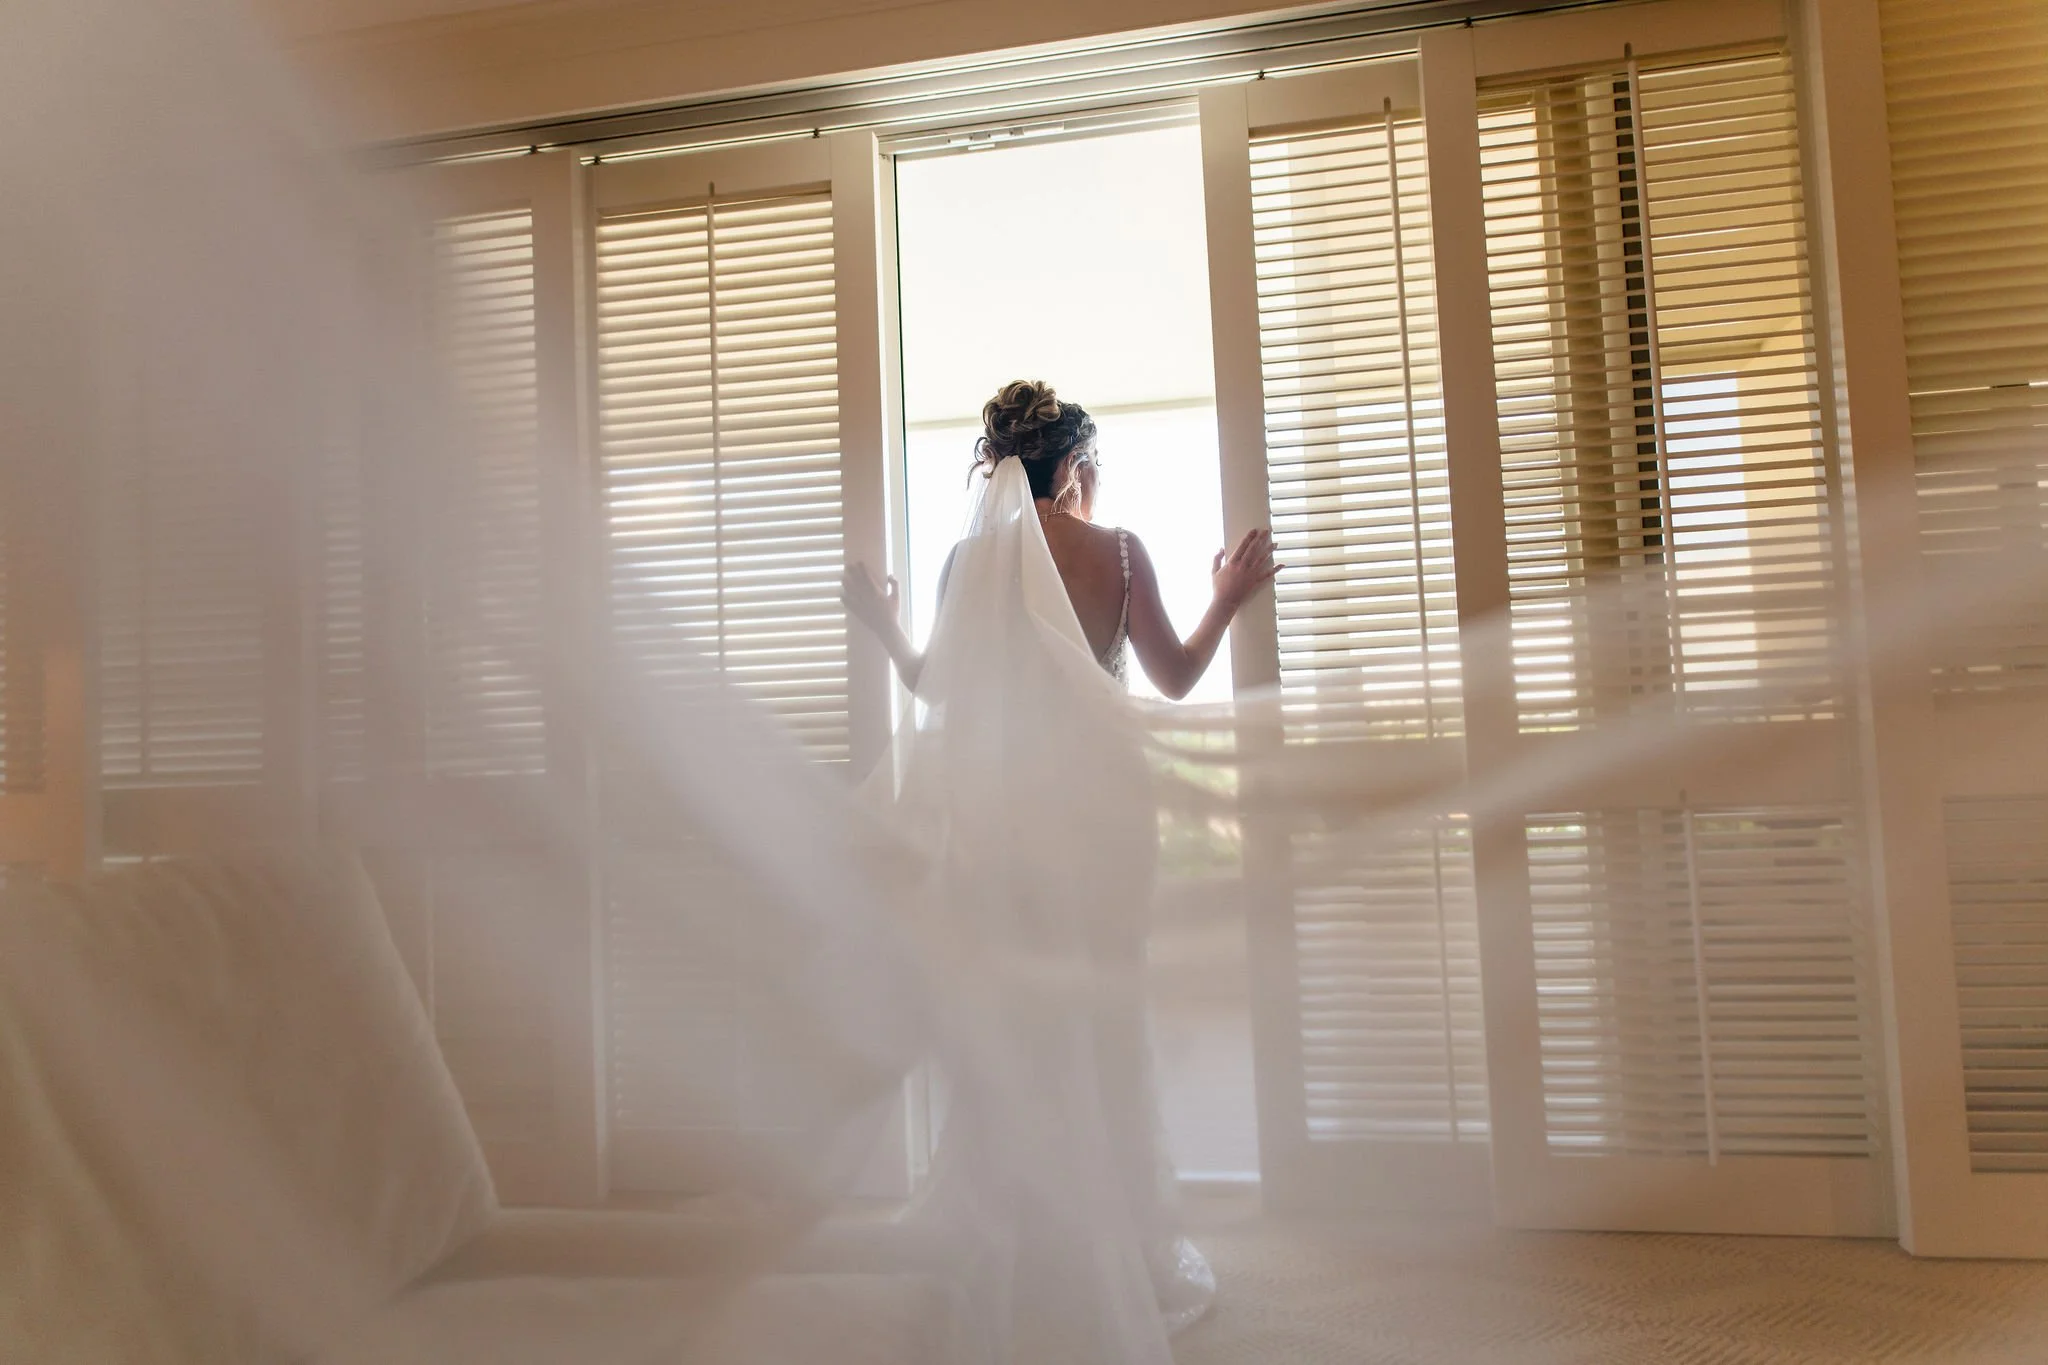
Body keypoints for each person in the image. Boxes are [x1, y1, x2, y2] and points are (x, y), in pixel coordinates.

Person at [842, 380, 1278, 1360]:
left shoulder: (966, 561)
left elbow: (937, 690)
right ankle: (1115, 1250)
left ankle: (1017, 1247)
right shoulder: (1117, 551)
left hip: (1005, 825)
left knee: (1015, 1020)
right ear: (1074, 468)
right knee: (1100, 1016)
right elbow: (1170, 677)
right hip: (1103, 819)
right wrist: (1225, 599)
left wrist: (879, 624)